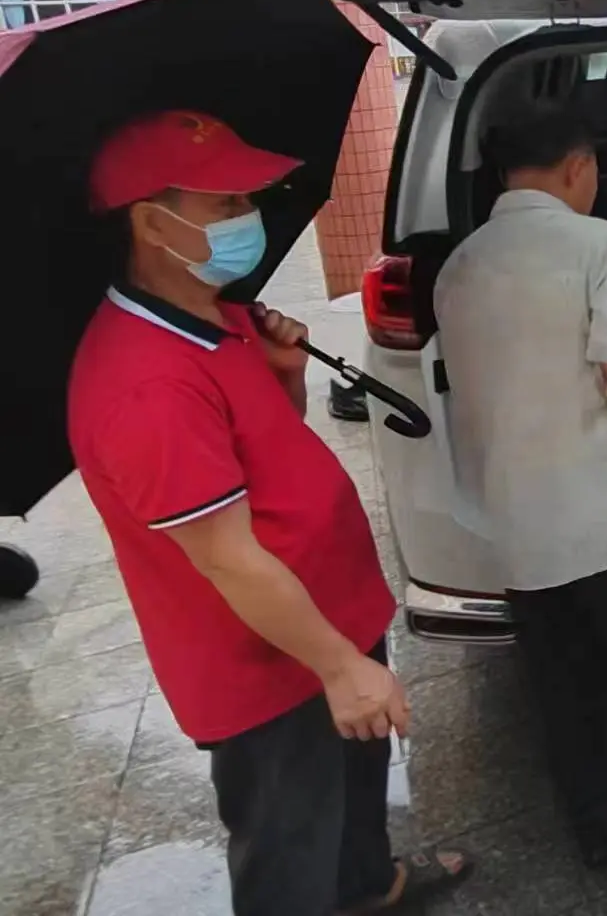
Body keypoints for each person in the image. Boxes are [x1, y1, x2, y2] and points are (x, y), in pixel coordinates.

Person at [67, 110, 472, 916]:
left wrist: (284, 374)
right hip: (273, 662)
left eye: (251, 197)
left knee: (353, 797)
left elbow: (263, 454)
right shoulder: (144, 384)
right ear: (153, 223)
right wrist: (336, 665)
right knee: (290, 843)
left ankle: (372, 887)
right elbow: (226, 557)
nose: (250, 217)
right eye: (225, 205)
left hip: (322, 614)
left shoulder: (221, 317)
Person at [433, 102, 607, 900]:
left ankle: (591, 829)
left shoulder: (459, 266)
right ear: (578, 167)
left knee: (562, 688)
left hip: (516, 526)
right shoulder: (599, 245)